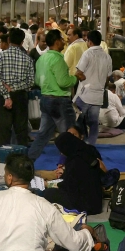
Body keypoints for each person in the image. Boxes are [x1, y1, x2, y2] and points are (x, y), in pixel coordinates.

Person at [29, 29, 77, 161]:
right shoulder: (58, 60)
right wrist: (76, 78)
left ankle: (28, 160)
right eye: (62, 40)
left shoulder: (41, 59)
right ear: (56, 42)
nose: (64, 42)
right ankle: (71, 165)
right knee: (70, 135)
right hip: (59, 100)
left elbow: (37, 81)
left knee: (43, 135)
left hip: (45, 99)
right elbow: (64, 82)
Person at [43, 129, 109, 215]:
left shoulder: (75, 161)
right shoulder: (88, 150)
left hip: (85, 205)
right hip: (96, 201)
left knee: (48, 193)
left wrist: (51, 184)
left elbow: (68, 186)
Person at [0, 27, 34, 146]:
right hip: (21, 96)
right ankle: (21, 158)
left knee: (3, 130)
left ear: (8, 40)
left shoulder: (1, 56)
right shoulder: (28, 59)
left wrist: (7, 96)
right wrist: (16, 88)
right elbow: (31, 82)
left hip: (3, 96)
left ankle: (3, 158)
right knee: (21, 130)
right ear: (22, 42)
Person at [73, 30, 113, 145]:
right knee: (94, 122)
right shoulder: (107, 57)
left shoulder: (87, 54)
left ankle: (83, 141)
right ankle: (91, 144)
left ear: (89, 41)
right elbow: (107, 78)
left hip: (85, 94)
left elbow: (78, 72)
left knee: (78, 119)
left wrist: (84, 79)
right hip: (98, 95)